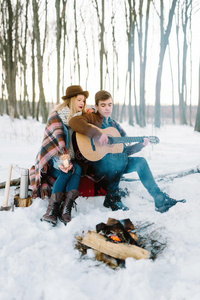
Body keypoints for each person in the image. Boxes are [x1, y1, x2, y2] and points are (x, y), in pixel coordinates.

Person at [69, 90, 186, 213]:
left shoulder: (114, 125)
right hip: (94, 164)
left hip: (114, 165)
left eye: (109, 104)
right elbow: (74, 122)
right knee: (119, 158)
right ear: (97, 106)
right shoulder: (91, 118)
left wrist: (140, 145)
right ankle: (112, 198)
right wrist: (97, 135)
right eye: (103, 105)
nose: (107, 108)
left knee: (140, 161)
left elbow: (123, 152)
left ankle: (159, 198)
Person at [29, 85, 89, 225]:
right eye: (79, 100)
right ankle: (51, 211)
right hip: (54, 157)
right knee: (67, 170)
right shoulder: (56, 116)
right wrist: (63, 159)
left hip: (72, 158)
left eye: (84, 101)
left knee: (77, 169)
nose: (82, 103)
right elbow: (56, 143)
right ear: (71, 100)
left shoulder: (82, 119)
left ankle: (65, 209)